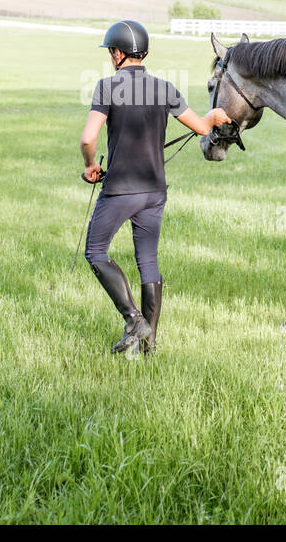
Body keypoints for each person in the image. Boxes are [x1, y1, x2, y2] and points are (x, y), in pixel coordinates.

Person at [80, 19, 231, 355]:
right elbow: (203, 128)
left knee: (95, 251)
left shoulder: (107, 87)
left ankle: (134, 319)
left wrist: (91, 165)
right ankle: (149, 345)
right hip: (154, 191)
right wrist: (216, 116)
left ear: (118, 53)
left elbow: (88, 138)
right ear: (142, 52)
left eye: (110, 51)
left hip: (120, 190)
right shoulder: (165, 88)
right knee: (147, 260)